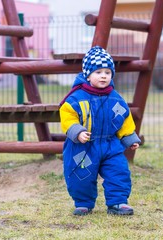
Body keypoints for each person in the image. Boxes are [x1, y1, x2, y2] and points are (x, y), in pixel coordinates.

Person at [59, 46, 141, 216]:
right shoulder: (76, 98)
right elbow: (68, 116)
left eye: (107, 72)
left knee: (118, 171)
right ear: (88, 75)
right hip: (84, 146)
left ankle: (118, 202)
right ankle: (83, 203)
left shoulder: (115, 98)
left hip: (111, 145)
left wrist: (129, 137)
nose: (103, 75)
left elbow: (124, 118)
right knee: (81, 175)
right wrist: (77, 131)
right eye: (98, 72)